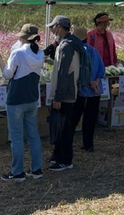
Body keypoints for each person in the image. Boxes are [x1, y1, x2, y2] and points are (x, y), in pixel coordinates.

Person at [0, 24, 45, 181]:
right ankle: (36, 170)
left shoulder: (17, 53)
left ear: (24, 38)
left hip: (16, 99)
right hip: (32, 98)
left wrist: (0, 61)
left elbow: (7, 75)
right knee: (33, 135)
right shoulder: (40, 53)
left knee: (17, 137)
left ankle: (17, 172)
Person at [47, 15, 81, 171]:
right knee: (62, 126)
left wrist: (58, 97)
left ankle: (65, 160)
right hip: (67, 93)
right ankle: (57, 155)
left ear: (59, 27)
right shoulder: (70, 43)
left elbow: (63, 73)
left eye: (53, 27)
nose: (52, 30)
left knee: (64, 128)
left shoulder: (66, 46)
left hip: (66, 94)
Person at [71, 26, 106, 152]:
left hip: (81, 90)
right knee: (90, 119)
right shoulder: (93, 51)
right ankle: (88, 144)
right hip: (95, 91)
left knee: (74, 118)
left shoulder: (77, 52)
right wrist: (96, 81)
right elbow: (102, 69)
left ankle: (68, 143)